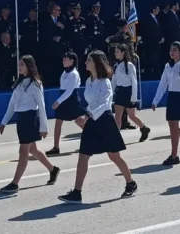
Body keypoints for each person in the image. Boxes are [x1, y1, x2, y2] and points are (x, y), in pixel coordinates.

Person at [58, 50, 138, 203]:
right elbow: (90, 103)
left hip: (105, 121)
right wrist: (84, 115)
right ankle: (77, 192)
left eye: (89, 60)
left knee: (114, 155)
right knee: (83, 156)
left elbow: (105, 104)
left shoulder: (105, 82)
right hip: (91, 121)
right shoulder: (89, 81)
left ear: (96, 63)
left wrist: (88, 115)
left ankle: (130, 183)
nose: (86, 62)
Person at [0, 55, 59, 193]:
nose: (19, 67)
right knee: (33, 149)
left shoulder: (35, 84)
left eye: (22, 64)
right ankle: (52, 169)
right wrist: (4, 121)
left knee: (23, 151)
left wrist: (44, 127)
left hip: (31, 118)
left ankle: (15, 183)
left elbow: (42, 106)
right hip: (21, 119)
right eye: (19, 64)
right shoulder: (19, 83)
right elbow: (12, 104)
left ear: (29, 66)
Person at [48, 52, 86, 155]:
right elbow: (63, 89)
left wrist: (58, 101)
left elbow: (69, 91)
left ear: (72, 61)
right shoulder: (64, 73)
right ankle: (56, 147)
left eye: (66, 59)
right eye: (63, 59)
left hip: (72, 100)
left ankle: (95, 138)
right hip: (63, 98)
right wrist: (60, 101)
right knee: (58, 123)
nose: (63, 61)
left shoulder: (74, 74)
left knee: (80, 122)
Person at [111, 43, 150, 142]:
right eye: (115, 51)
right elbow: (114, 80)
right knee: (117, 116)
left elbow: (134, 81)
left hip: (128, 91)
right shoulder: (116, 65)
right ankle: (115, 138)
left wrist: (134, 97)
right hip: (119, 91)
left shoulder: (130, 65)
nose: (115, 53)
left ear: (123, 53)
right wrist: (111, 92)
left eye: (117, 51)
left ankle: (143, 128)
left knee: (131, 115)